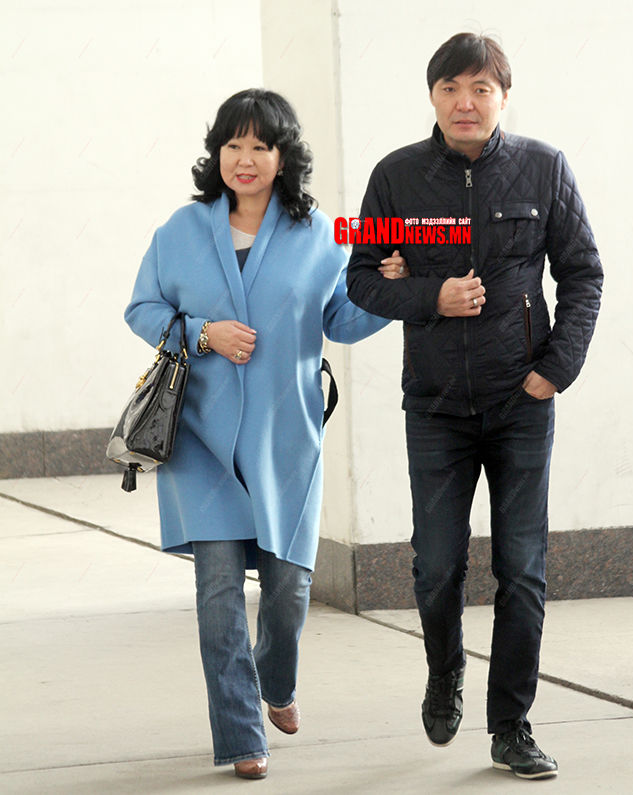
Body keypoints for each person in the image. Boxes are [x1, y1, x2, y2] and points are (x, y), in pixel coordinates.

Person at [124, 89, 407, 780]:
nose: (244, 159)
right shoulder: (181, 231)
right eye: (232, 145)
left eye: (260, 146)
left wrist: (390, 291)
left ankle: (276, 681)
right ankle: (241, 735)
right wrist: (203, 333)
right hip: (200, 443)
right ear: (216, 153)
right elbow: (142, 308)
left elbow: (341, 320)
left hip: (285, 442)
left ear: (284, 157)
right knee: (218, 591)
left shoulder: (321, 236)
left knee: (287, 591)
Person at [347, 33, 603, 780]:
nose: (466, 102)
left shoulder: (544, 167)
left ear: (503, 97)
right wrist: (432, 294)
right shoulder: (395, 176)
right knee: (436, 567)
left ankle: (512, 724)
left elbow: (583, 273)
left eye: (481, 88)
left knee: (522, 570)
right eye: (451, 87)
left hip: (521, 402)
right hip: (434, 407)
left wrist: (554, 370)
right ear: (432, 95)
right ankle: (445, 671)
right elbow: (359, 275)